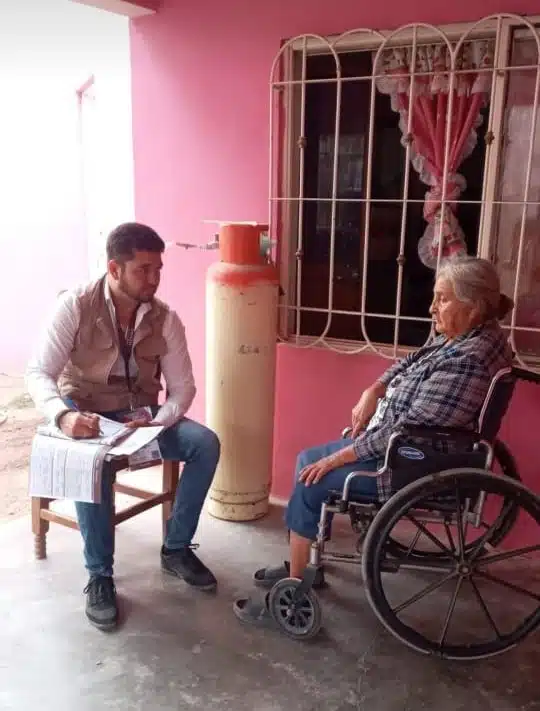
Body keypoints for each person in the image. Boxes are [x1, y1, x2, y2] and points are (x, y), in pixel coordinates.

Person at [233, 255, 514, 630]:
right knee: (308, 460)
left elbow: (407, 431)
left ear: (475, 305)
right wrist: (375, 388)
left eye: (442, 299)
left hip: (412, 460)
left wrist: (339, 459)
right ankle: (306, 562)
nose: (432, 307)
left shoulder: (469, 359)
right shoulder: (465, 336)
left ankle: (296, 588)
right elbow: (411, 361)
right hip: (407, 447)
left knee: (310, 477)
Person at [26, 222, 220, 631]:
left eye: (158, 269)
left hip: (143, 418)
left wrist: (155, 419)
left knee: (205, 443)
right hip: (89, 415)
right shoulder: (75, 306)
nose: (154, 279)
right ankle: (99, 575)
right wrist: (62, 415)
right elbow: (39, 372)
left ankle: (176, 547)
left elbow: (183, 389)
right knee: (91, 461)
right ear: (114, 269)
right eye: (143, 270)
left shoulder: (165, 318)